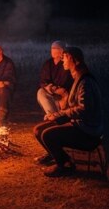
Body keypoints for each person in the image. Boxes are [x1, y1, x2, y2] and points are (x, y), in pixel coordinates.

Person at [33, 46, 104, 178]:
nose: (62, 61)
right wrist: (54, 116)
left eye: (64, 58)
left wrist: (58, 115)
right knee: (38, 130)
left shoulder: (85, 81)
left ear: (72, 59)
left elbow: (83, 109)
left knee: (48, 134)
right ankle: (61, 159)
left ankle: (64, 165)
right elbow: (75, 106)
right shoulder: (77, 77)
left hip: (88, 132)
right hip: (79, 125)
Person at [37, 40, 73, 117]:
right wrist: (50, 87)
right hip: (53, 92)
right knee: (41, 92)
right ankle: (52, 115)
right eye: (52, 48)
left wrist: (63, 92)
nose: (53, 50)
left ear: (62, 50)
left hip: (66, 94)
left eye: (56, 48)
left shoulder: (67, 64)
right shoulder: (48, 64)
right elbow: (43, 80)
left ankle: (59, 116)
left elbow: (68, 81)